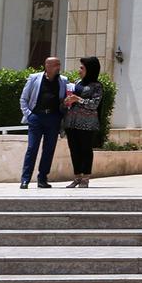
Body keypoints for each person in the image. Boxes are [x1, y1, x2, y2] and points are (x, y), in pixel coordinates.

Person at [18, 56, 69, 189]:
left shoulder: (63, 81)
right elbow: (23, 99)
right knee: (32, 148)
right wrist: (29, 115)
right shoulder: (34, 78)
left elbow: (63, 100)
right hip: (36, 118)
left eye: (59, 64)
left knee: (49, 150)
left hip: (53, 118)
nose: (58, 67)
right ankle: (25, 179)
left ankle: (42, 179)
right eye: (55, 65)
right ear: (47, 65)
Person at [62, 56, 104, 188]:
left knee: (85, 150)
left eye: (82, 67)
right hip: (71, 123)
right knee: (74, 150)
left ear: (89, 69)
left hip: (87, 124)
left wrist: (78, 99)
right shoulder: (77, 82)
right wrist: (67, 101)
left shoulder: (97, 86)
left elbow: (94, 104)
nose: (79, 70)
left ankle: (85, 178)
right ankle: (77, 177)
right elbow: (70, 100)